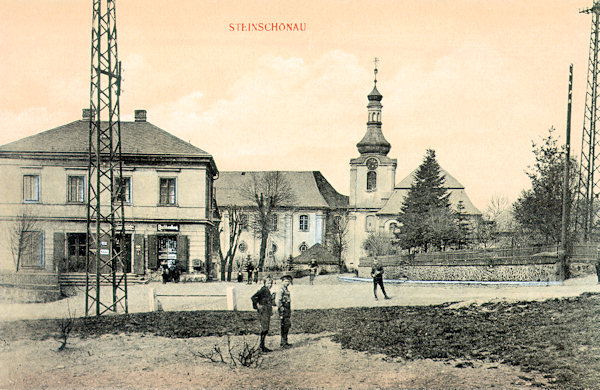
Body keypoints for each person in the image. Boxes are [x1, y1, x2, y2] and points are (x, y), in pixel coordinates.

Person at [251, 276, 275, 352]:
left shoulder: (267, 290)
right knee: (264, 328)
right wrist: (257, 305)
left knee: (266, 327)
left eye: (271, 283)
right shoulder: (263, 290)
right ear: (264, 283)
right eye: (268, 283)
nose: (270, 284)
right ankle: (261, 346)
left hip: (267, 310)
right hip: (263, 310)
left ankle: (262, 345)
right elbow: (253, 297)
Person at [277, 274, 293, 348]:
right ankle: (283, 343)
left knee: (286, 325)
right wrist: (281, 309)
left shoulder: (286, 289)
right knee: (284, 325)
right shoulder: (281, 290)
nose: (288, 283)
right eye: (286, 281)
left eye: (289, 281)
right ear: (282, 281)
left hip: (287, 308)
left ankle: (285, 341)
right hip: (283, 309)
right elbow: (279, 301)